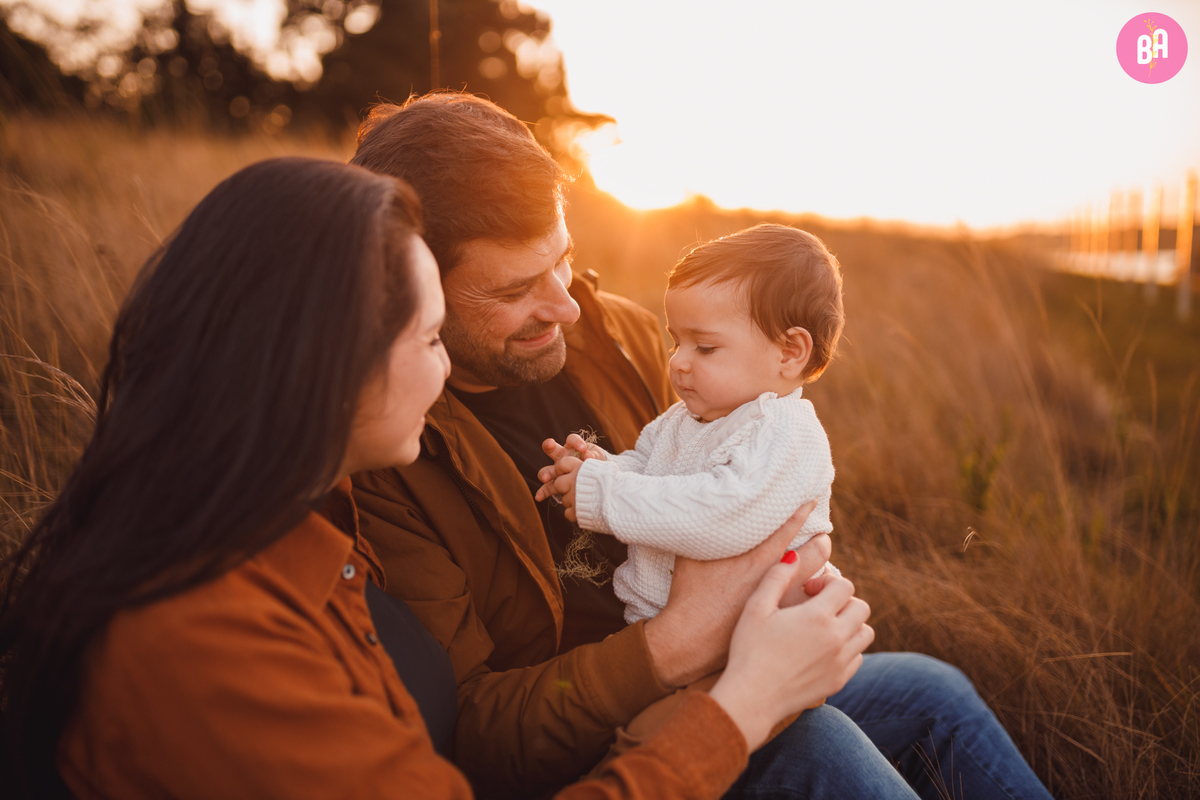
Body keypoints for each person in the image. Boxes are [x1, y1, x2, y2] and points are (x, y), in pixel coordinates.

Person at [0, 158, 874, 799]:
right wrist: (740, 704)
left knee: (931, 695)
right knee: (823, 751)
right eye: (428, 340)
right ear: (321, 368)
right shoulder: (205, 646)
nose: (442, 377)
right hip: (623, 716)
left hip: (672, 677)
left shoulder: (300, 527)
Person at [349, 92, 1054, 800]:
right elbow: (470, 734)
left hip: (720, 659)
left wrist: (771, 602)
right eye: (515, 290)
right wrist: (681, 642)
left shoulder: (614, 334)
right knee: (817, 747)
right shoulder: (384, 456)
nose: (565, 306)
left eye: (562, 261)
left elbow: (706, 476)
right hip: (598, 745)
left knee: (934, 695)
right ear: (419, 291)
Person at [535, 224, 841, 624]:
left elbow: (724, 514)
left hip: (756, 634)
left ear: (789, 352)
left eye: (706, 347)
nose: (677, 361)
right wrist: (597, 468)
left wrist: (603, 493)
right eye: (676, 341)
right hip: (668, 631)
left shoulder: (786, 432)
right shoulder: (687, 418)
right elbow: (650, 470)